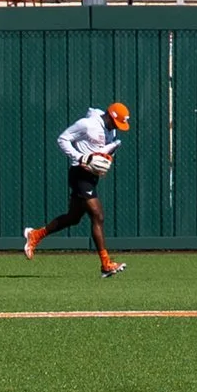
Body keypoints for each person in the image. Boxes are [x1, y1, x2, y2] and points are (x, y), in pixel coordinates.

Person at [23, 101, 130, 276]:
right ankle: (106, 264)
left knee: (73, 218)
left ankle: (35, 235)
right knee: (98, 215)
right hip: (79, 173)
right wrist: (80, 157)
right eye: (116, 122)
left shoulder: (112, 130)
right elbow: (62, 139)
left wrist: (106, 159)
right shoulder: (87, 124)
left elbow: (102, 152)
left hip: (91, 176)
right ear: (110, 116)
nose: (116, 127)